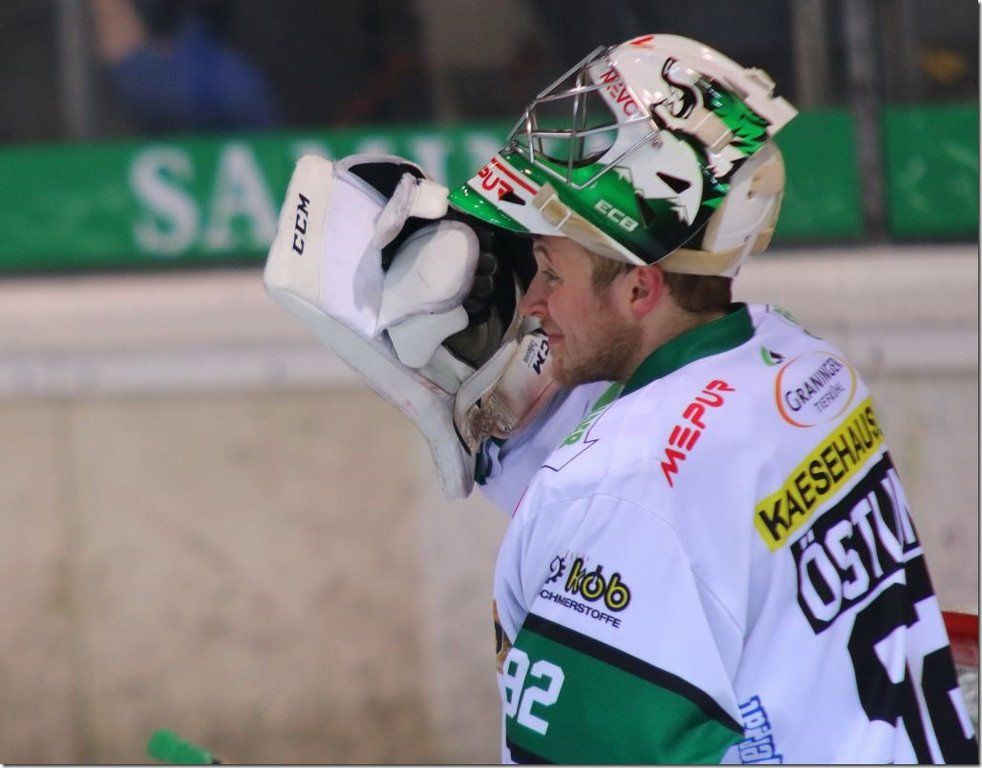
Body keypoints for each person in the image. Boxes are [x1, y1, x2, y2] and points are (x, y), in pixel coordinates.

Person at [264, 34, 977, 764]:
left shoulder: (613, 492)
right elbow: (677, 511)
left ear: (640, 287)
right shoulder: (802, 365)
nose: (533, 302)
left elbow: (628, 508)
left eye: (550, 270)